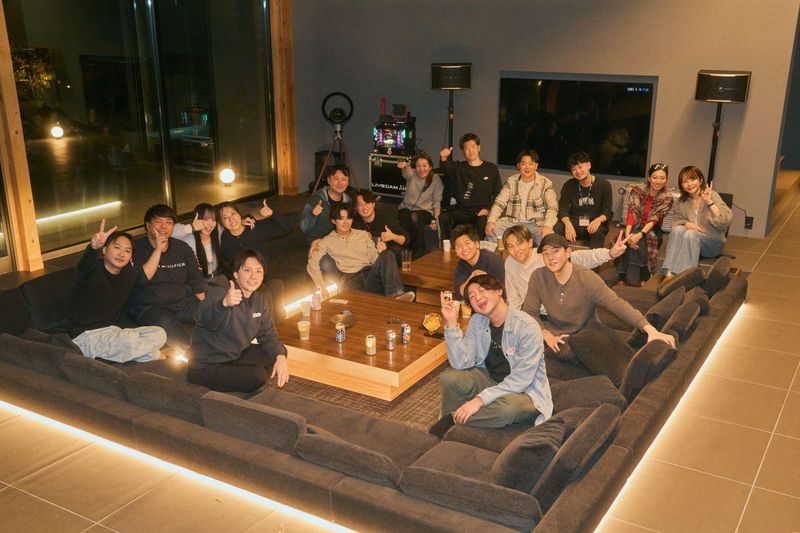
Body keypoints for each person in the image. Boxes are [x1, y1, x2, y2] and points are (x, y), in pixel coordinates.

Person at [522, 234, 676, 354]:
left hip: (584, 334)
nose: (550, 258)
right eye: (545, 253)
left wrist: (649, 329)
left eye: (556, 251)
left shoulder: (586, 277)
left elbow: (615, 304)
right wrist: (545, 334)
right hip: (553, 335)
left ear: (568, 252)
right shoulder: (538, 276)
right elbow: (529, 312)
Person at [437, 274, 552, 429]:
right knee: (449, 377)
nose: (477, 298)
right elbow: (460, 362)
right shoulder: (477, 321)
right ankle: (460, 417)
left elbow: (521, 380)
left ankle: (450, 422)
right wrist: (451, 323)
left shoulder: (527, 327)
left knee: (508, 409)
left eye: (482, 290)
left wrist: (479, 400)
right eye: (472, 296)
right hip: (490, 380)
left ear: (499, 291)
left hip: (524, 391)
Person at [188, 249, 289, 393]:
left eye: (258, 271)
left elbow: (268, 334)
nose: (253, 276)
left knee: (277, 353)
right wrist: (224, 304)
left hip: (235, 356)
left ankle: (239, 380)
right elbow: (203, 319)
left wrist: (280, 356)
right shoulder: (219, 292)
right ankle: (239, 384)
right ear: (236, 274)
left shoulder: (259, 300)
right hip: (206, 366)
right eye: (247, 270)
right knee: (257, 376)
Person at [67, 220, 166, 363]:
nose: (122, 254)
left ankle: (137, 352)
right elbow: (84, 265)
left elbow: (144, 277)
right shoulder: (92, 271)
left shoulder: (127, 274)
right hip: (86, 337)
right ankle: (152, 355)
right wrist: (93, 247)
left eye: (127, 251)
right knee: (129, 341)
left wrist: (158, 250)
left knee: (160, 333)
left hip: (114, 332)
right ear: (104, 250)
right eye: (117, 247)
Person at [127, 204, 206, 353]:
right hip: (148, 307)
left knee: (211, 313)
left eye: (169, 222)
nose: (164, 226)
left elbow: (196, 279)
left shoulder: (182, 248)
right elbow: (141, 279)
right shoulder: (135, 249)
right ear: (147, 225)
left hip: (181, 303)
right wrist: (158, 250)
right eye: (158, 221)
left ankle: (223, 349)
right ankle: (193, 356)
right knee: (165, 321)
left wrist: (204, 307)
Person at [503, 225, 628, 310]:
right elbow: (513, 297)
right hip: (533, 314)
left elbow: (581, 257)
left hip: (560, 313)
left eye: (519, 243)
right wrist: (514, 321)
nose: (516, 250)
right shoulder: (510, 262)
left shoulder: (545, 254)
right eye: (511, 246)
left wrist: (609, 253)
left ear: (530, 242)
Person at [307, 204, 415, 301]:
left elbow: (373, 256)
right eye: (341, 218)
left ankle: (396, 295)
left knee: (388, 254)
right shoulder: (327, 241)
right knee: (346, 289)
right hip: (350, 279)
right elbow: (312, 264)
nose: (346, 222)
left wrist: (382, 259)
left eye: (349, 218)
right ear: (334, 221)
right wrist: (322, 287)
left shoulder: (363, 234)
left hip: (370, 274)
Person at [218, 200, 288, 319]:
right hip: (247, 278)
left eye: (233, 213)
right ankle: (268, 327)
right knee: (265, 295)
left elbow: (286, 227)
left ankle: (280, 325)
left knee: (277, 291)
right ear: (222, 223)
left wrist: (272, 214)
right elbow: (230, 265)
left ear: (239, 214)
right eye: (225, 217)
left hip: (267, 272)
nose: (231, 219)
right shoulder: (225, 239)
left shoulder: (254, 227)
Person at [661, 166, 733, 279]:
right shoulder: (681, 202)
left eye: (692, 179)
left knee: (691, 234)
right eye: (685, 181)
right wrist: (687, 224)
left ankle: (685, 277)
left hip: (712, 243)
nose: (689, 184)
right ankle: (669, 273)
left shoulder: (712, 195)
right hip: (690, 242)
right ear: (681, 185)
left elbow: (725, 221)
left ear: (700, 180)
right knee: (678, 229)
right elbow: (675, 222)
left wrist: (709, 201)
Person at [617, 163, 674, 286]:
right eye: (654, 177)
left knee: (642, 241)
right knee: (625, 240)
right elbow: (631, 212)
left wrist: (640, 234)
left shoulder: (667, 197)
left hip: (653, 228)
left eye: (662, 178)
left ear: (666, 179)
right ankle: (632, 278)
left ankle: (635, 277)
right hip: (635, 224)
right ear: (649, 178)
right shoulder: (638, 189)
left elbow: (654, 219)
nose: (658, 181)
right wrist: (628, 234)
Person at [485, 149, 558, 246]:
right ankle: (498, 255)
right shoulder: (511, 181)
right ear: (518, 166)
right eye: (523, 164)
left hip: (535, 225)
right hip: (513, 222)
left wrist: (547, 226)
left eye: (531, 164)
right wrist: (491, 221)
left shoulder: (545, 183)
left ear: (536, 166)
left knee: (548, 239)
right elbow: (499, 203)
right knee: (492, 230)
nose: (527, 167)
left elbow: (552, 207)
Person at [439, 133, 502, 239]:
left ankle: (478, 247)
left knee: (482, 222)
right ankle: (447, 246)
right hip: (461, 210)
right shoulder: (459, 167)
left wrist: (489, 209)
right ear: (463, 152)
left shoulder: (491, 169)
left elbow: (498, 194)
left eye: (473, 147)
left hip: (480, 212)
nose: (470, 150)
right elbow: (446, 168)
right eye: (466, 148)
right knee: (444, 217)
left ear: (478, 148)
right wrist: (444, 158)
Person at [554, 152, 614, 248]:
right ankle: (557, 255)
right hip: (575, 222)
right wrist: (568, 224)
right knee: (557, 227)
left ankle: (595, 258)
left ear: (588, 165)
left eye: (580, 167)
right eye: (574, 169)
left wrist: (598, 220)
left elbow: (607, 211)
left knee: (597, 232)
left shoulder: (604, 184)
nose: (578, 171)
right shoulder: (568, 185)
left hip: (594, 222)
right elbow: (562, 209)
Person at [397, 153, 444, 256]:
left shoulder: (435, 179)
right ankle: (406, 248)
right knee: (405, 216)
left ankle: (419, 248)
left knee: (414, 216)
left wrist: (436, 221)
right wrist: (404, 166)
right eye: (418, 166)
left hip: (425, 212)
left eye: (424, 166)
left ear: (430, 167)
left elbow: (437, 203)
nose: (421, 169)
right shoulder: (412, 174)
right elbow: (406, 172)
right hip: (406, 208)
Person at [172, 203, 229, 282]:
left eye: (213, 219)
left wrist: (243, 222)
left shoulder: (217, 231)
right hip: (197, 281)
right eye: (205, 219)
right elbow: (169, 232)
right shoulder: (188, 239)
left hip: (217, 277)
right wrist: (192, 227)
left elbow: (231, 227)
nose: (210, 224)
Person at [353, 189, 409, 263]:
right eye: (360, 204)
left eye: (367, 203)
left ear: (373, 204)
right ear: (356, 207)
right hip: (364, 259)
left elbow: (405, 240)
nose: (364, 207)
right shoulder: (353, 222)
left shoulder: (385, 218)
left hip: (387, 257)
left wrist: (392, 236)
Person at [452, 224, 505, 300]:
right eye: (459, 246)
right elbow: (459, 292)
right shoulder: (462, 264)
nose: (464, 248)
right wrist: (472, 277)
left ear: (477, 244)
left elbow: (502, 293)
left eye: (467, 243)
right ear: (456, 252)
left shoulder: (494, 262)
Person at [300, 165, 352, 242]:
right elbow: (304, 228)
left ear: (348, 182)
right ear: (328, 180)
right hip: (318, 241)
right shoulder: (316, 199)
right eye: (336, 179)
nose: (340, 183)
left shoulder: (348, 201)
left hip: (339, 240)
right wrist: (312, 214)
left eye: (343, 179)